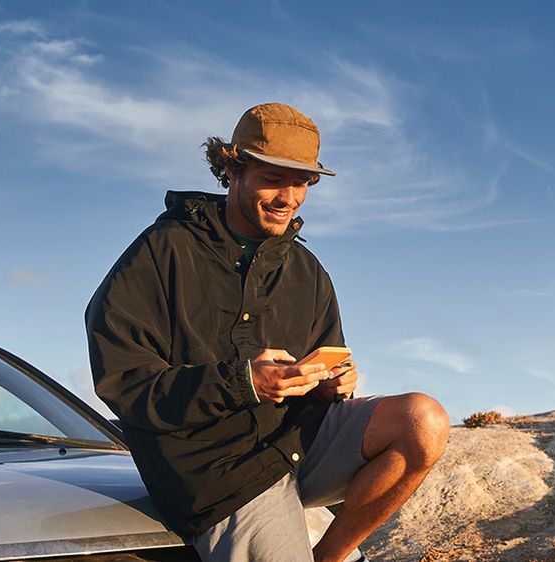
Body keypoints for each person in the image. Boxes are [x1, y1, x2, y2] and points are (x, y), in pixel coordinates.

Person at [85, 102, 450, 562]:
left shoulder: (307, 270)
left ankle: (330, 556)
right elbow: (124, 382)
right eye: (274, 178)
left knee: (424, 421)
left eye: (302, 182)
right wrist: (244, 382)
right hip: (219, 474)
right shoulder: (161, 253)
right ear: (232, 168)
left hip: (297, 443)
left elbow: (321, 366)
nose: (289, 197)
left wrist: (330, 385)